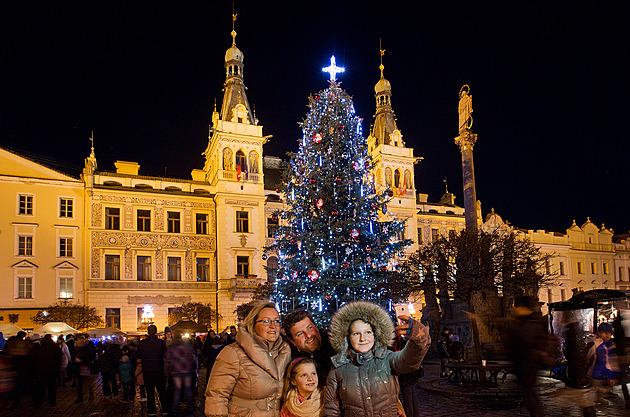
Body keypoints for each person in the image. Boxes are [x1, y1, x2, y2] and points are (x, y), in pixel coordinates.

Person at [323, 301, 430, 417]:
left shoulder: (387, 360)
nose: (363, 339)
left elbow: (410, 361)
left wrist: (420, 337)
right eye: (356, 334)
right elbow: (331, 410)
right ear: (347, 337)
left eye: (367, 332)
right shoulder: (338, 369)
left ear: (375, 335)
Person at [205, 301, 291, 416]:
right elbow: (216, 397)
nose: (273, 326)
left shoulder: (285, 352)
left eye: (276, 321)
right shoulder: (233, 353)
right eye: (266, 321)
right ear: (253, 324)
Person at [504, 295, 548, 417]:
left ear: (522, 307)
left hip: (527, 367)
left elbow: (523, 342)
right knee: (530, 399)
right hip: (524, 367)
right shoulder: (527, 321)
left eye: (516, 307)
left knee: (531, 400)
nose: (514, 310)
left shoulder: (530, 324)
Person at [283, 309, 336, 386]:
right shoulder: (289, 357)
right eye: (300, 333)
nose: (308, 335)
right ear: (293, 341)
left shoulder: (335, 346)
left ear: (316, 327)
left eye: (310, 328)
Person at [138, 324, 169, 416]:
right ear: (156, 332)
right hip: (159, 369)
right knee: (161, 390)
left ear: (147, 332)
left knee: (150, 391)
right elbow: (165, 355)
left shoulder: (142, 343)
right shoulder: (161, 343)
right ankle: (165, 409)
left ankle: (151, 410)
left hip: (147, 370)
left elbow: (139, 357)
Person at [587, 322, 619, 405]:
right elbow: (602, 361)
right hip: (595, 372)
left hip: (599, 372)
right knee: (597, 387)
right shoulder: (598, 344)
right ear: (599, 333)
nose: (609, 336)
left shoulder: (606, 344)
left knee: (599, 388)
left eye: (610, 334)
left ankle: (597, 399)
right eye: (607, 333)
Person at [167, 331, 197, 415]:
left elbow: (168, 359)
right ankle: (190, 408)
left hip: (176, 371)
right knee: (188, 389)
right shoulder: (188, 346)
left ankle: (175, 409)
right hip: (187, 371)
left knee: (177, 390)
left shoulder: (171, 347)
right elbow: (193, 358)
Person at [33, 334, 61, 406]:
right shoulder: (55, 347)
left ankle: (39, 402)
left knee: (41, 387)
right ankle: (52, 401)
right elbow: (59, 357)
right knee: (51, 386)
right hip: (52, 370)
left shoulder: (40, 347)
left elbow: (35, 358)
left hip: (41, 370)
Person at [73, 333, 95, 403]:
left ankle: (91, 396)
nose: (80, 340)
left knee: (88, 383)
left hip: (86, 366)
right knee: (80, 384)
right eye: (79, 338)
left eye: (82, 338)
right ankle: (80, 398)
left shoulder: (88, 346)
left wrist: (81, 360)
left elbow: (90, 356)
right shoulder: (76, 347)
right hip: (79, 367)